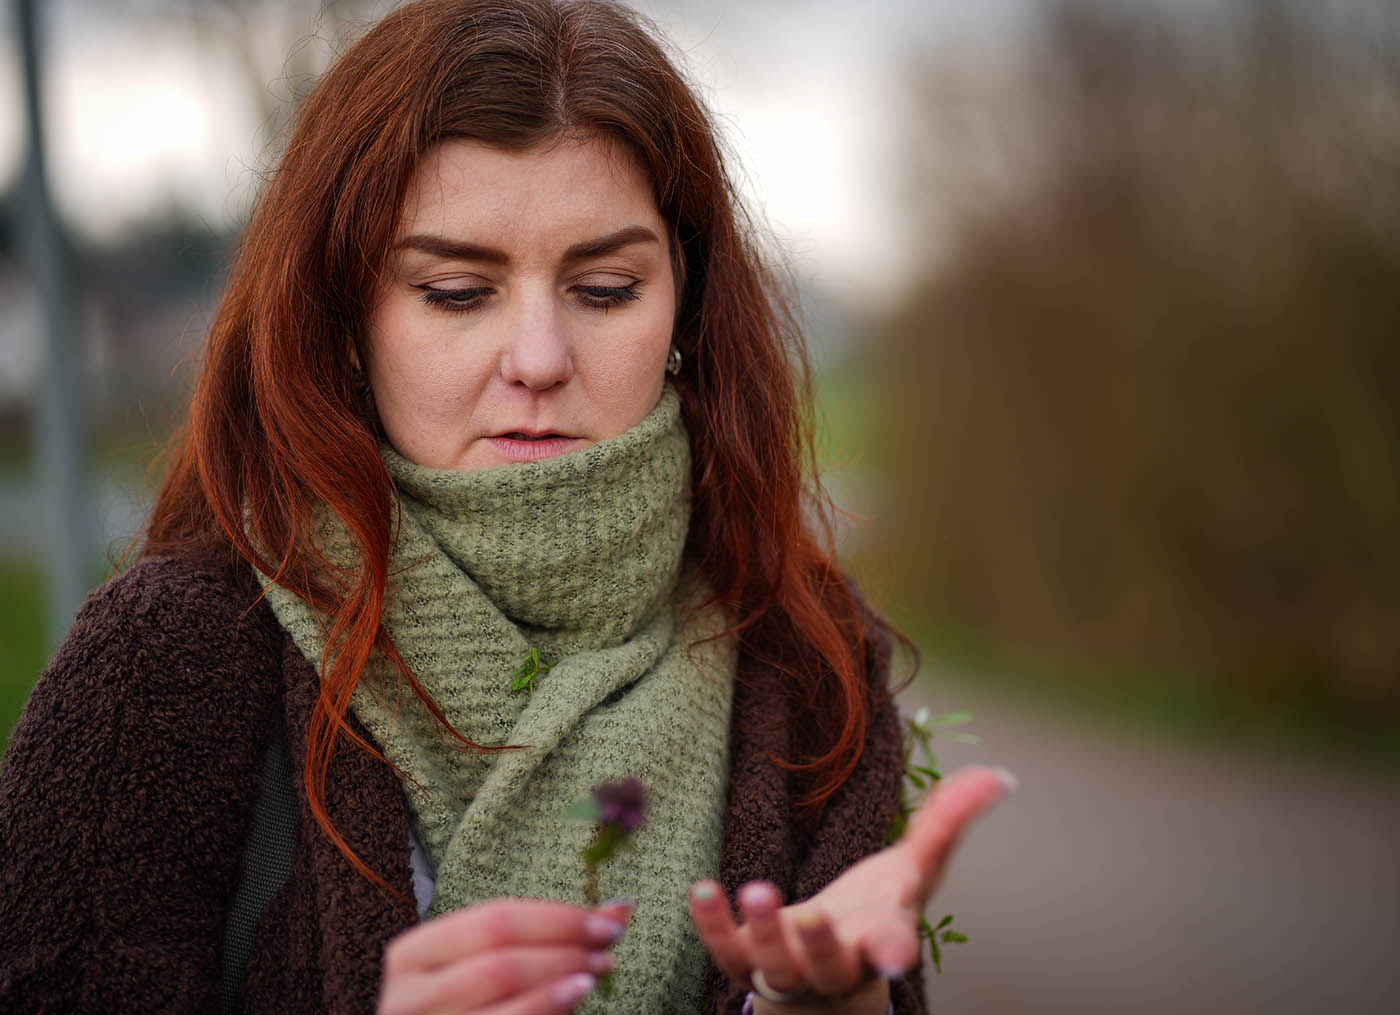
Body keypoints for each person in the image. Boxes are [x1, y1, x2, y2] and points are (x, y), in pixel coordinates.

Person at [0, 1, 1010, 1012]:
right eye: (454, 291)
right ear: (344, 320)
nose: (537, 359)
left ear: (683, 310)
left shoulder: (805, 665)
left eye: (606, 288)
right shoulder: (165, 664)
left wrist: (836, 1007)